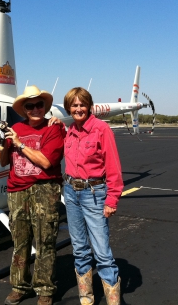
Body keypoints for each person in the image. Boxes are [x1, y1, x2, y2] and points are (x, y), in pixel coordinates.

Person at [50, 87, 123, 305]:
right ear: (68, 108)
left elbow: (114, 168)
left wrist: (112, 200)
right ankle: (86, 297)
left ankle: (113, 301)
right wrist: (57, 125)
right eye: (74, 105)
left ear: (89, 106)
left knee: (102, 252)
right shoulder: (70, 130)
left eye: (82, 104)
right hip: (71, 193)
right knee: (80, 248)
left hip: (94, 193)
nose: (79, 108)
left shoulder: (101, 129)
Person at [0, 86, 64, 305]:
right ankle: (19, 286)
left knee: (45, 241)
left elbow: (46, 162)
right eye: (30, 106)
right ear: (23, 109)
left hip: (45, 189)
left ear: (45, 106)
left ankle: (44, 289)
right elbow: (4, 161)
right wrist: (1, 142)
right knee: (20, 241)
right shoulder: (15, 128)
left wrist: (19, 143)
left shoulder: (53, 129)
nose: (35, 109)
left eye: (39, 105)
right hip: (18, 190)